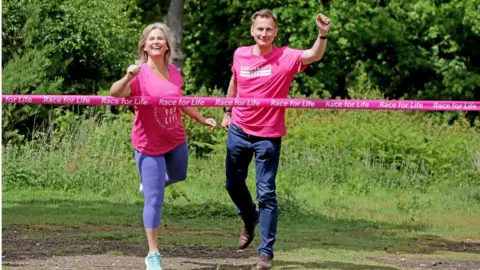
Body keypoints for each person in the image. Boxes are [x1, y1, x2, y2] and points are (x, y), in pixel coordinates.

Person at [221, 9, 331, 269]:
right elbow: (235, 82)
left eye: (269, 29)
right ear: (252, 31)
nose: (264, 33)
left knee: (266, 193)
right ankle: (250, 218)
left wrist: (322, 34)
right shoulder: (240, 53)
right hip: (238, 129)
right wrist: (227, 110)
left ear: (275, 32)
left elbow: (313, 55)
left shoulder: (286, 56)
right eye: (260, 29)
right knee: (232, 185)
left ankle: (265, 253)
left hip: (267, 136)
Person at [110, 22, 216, 270]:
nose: (156, 41)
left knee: (179, 174)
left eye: (161, 38)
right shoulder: (138, 73)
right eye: (151, 39)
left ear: (167, 45)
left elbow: (179, 101)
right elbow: (115, 94)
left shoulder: (174, 72)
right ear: (144, 46)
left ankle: (149, 183)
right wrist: (127, 76)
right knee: (155, 199)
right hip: (149, 145)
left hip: (175, 139)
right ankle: (153, 254)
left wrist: (200, 118)